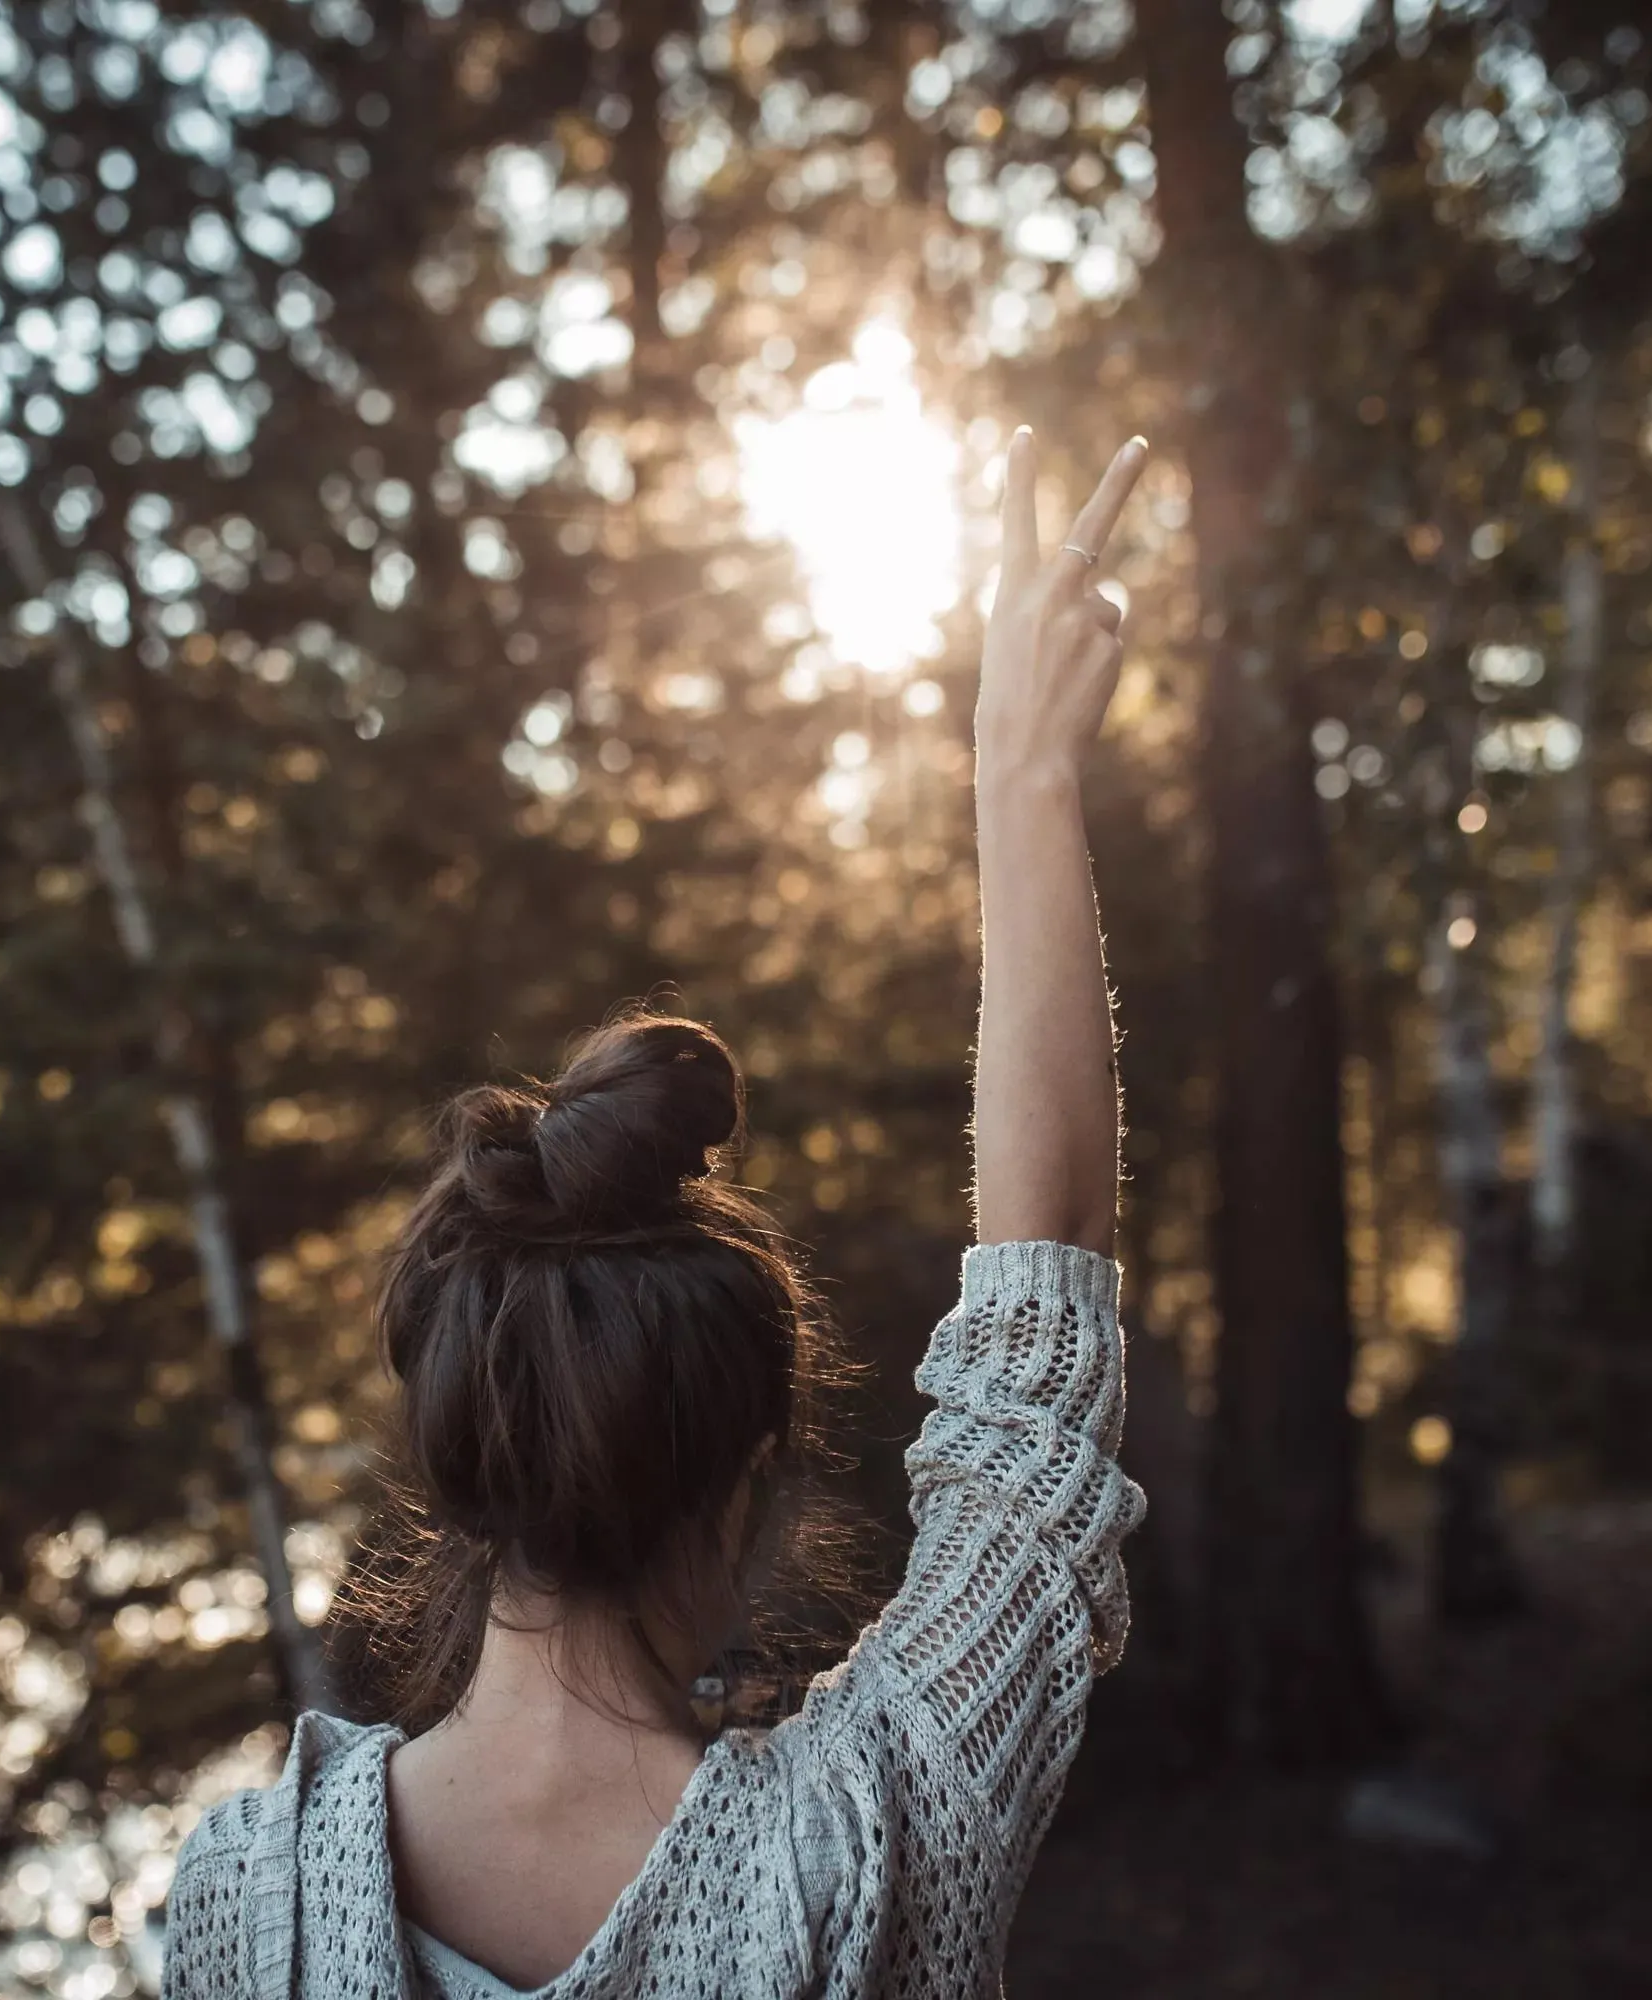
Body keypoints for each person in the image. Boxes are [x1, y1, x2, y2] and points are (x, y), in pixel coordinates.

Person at [163, 430, 1153, 1998]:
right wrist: (1023, 772)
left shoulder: (245, 1906)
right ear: (747, 1483)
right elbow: (1041, 1352)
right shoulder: (876, 1838)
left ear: (460, 1469)